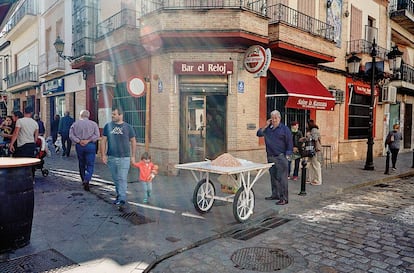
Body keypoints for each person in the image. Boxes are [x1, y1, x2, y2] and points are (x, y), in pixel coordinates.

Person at [100, 107, 136, 206]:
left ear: (120, 115)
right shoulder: (108, 126)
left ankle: (122, 198)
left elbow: (133, 141)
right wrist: (103, 155)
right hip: (111, 157)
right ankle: (119, 194)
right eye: (112, 114)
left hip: (124, 158)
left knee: (122, 178)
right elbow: (103, 140)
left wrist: (133, 156)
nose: (112, 116)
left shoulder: (128, 127)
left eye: (114, 114)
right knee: (116, 178)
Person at [257, 110, 293, 205]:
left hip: (281, 156)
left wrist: (288, 155)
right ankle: (275, 194)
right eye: (272, 118)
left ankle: (284, 198)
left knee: (282, 179)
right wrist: (266, 125)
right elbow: (259, 133)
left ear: (279, 118)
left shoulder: (285, 129)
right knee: (273, 177)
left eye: (276, 118)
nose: (274, 120)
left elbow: (289, 142)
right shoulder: (268, 129)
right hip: (270, 156)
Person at [69, 110, 100, 192]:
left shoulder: (75, 124)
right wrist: (88, 140)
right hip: (90, 145)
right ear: (88, 116)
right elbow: (97, 135)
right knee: (90, 164)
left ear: (80, 115)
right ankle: (87, 179)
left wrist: (78, 141)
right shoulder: (93, 124)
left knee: (81, 163)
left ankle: (83, 179)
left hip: (79, 145)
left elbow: (71, 135)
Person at [304, 120, 322, 185]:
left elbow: (315, 139)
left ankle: (318, 180)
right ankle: (310, 178)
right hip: (311, 149)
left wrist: (308, 136)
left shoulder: (314, 130)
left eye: (306, 124)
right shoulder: (311, 130)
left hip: (314, 150)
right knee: (311, 165)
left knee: (316, 165)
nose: (306, 125)